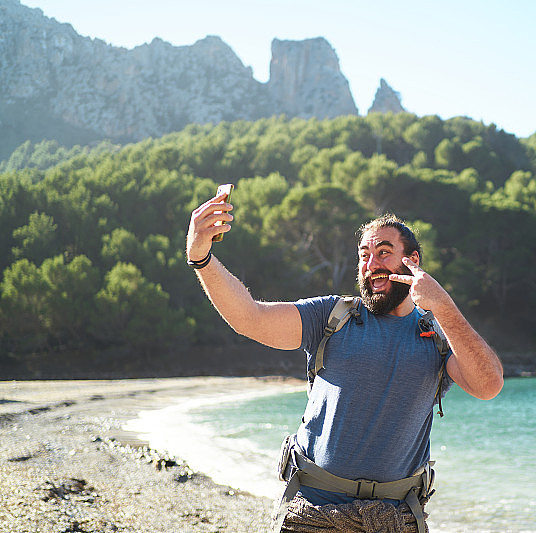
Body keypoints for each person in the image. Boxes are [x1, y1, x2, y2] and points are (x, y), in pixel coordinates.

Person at [186, 190, 504, 532]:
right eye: (364, 255)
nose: (371, 264)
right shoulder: (331, 316)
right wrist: (201, 257)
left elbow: (489, 386)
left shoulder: (440, 335)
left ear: (412, 260)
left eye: (384, 253)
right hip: (311, 511)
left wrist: (443, 306)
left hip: (396, 518)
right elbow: (250, 317)